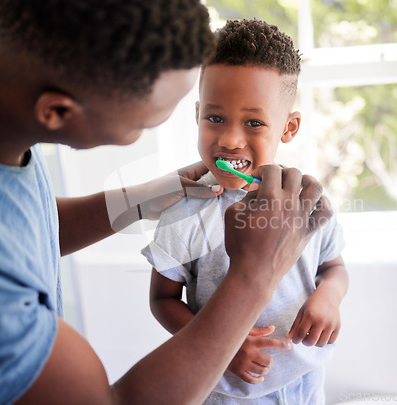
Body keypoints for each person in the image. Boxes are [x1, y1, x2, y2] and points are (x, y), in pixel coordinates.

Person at [0, 1, 333, 404]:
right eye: (146, 122)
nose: (228, 140)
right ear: (56, 111)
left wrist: (138, 200)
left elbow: (23, 222)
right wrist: (254, 277)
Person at [143, 19, 349, 404]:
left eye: (253, 122)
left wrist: (330, 297)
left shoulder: (308, 200)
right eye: (215, 118)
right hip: (226, 390)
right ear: (197, 113)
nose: (230, 140)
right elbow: (163, 300)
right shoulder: (184, 212)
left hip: (305, 380)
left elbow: (333, 269)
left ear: (289, 127)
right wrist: (220, 346)